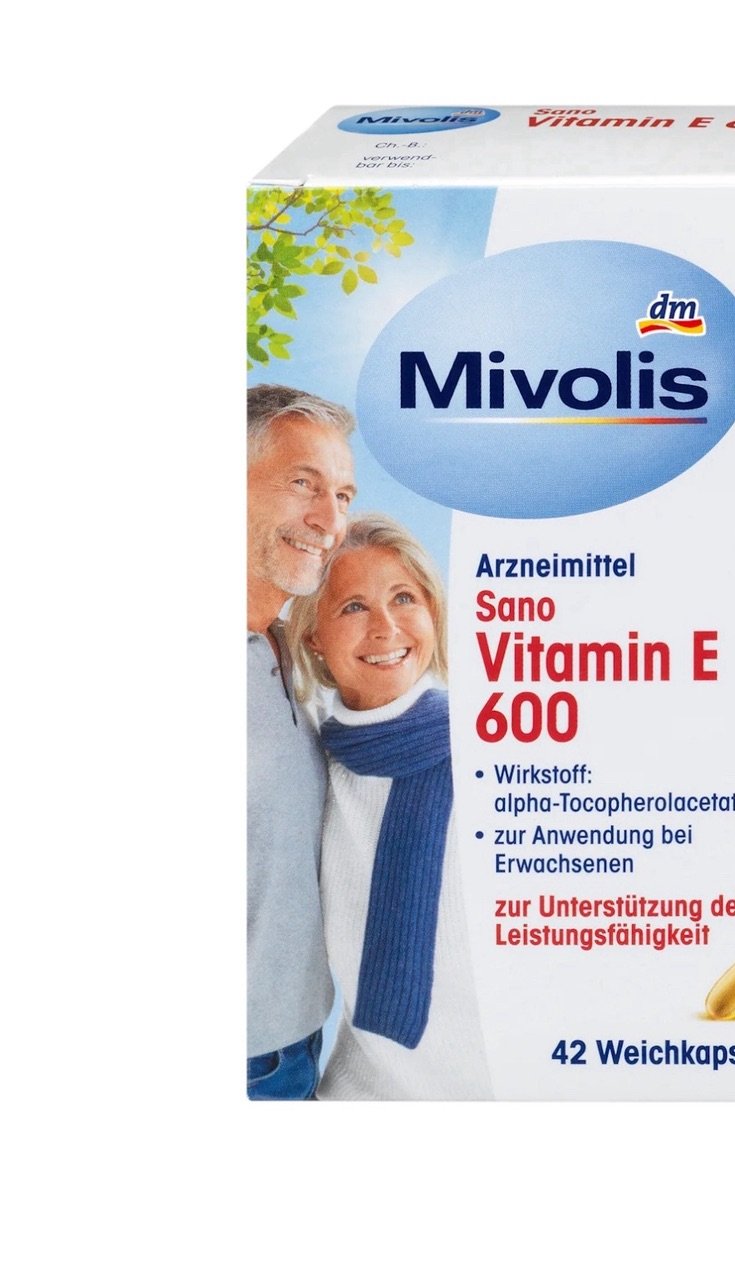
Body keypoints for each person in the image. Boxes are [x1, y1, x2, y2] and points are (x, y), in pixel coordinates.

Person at [286, 515, 493, 1099]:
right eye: (353, 607)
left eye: (405, 598)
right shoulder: (310, 764)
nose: (386, 627)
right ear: (313, 636)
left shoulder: (492, 756)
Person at [247, 384, 357, 1100]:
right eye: (303, 484)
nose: (329, 520)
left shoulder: (285, 651)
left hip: (301, 1043)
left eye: (343, 496)